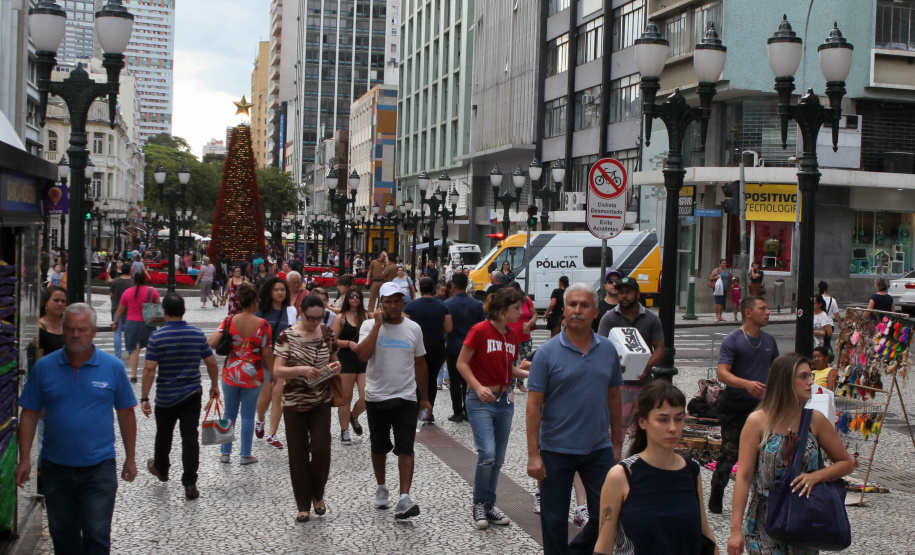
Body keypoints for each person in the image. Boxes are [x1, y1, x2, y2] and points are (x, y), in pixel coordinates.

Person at [15, 303, 137, 554]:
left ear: (93, 331)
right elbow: (28, 413)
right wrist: (25, 458)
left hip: (99, 468)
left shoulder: (112, 367)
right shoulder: (45, 367)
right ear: (63, 330)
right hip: (56, 467)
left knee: (96, 533)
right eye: (69, 329)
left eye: (82, 329)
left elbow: (126, 413)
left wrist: (131, 457)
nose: (75, 335)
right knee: (63, 536)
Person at [526, 283, 623, 555]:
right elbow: (533, 406)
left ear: (595, 312)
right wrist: (533, 454)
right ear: (564, 310)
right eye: (572, 305)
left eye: (584, 305)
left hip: (598, 449)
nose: (577, 311)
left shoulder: (607, 350)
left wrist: (616, 444)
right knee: (554, 521)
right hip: (555, 450)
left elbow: (615, 398)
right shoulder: (546, 353)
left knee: (609, 513)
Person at [727, 353, 854, 555]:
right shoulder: (758, 421)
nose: (810, 382)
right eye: (803, 376)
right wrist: (735, 530)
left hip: (803, 518)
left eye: (810, 376)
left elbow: (846, 463)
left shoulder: (816, 420)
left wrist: (816, 476)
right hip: (764, 520)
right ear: (784, 381)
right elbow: (743, 477)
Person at [594, 382, 717, 554]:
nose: (673, 428)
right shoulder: (622, 475)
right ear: (643, 422)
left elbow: (704, 531)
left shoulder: (691, 469)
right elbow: (604, 544)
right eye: (663, 419)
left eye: (679, 419)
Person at [353, 282, 431, 520]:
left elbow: (420, 363)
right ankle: (381, 486)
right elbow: (364, 355)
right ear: (381, 304)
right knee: (379, 447)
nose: (393, 306)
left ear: (403, 302)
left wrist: (425, 398)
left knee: (406, 448)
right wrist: (378, 325)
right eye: (388, 302)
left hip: (405, 396)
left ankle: (404, 497)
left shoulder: (413, 328)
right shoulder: (368, 325)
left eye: (397, 301)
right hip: (376, 396)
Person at [457, 287, 528, 529]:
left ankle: (489, 505)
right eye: (516, 308)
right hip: (481, 401)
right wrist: (477, 387)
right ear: (502, 309)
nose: (521, 312)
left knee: (497, 458)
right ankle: (478, 503)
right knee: (486, 453)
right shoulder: (480, 330)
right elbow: (461, 363)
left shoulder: (512, 336)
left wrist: (533, 373)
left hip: (504, 400)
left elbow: (511, 369)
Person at [140, 293, 220, 499]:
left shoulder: (157, 337)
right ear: (184, 311)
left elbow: (149, 369)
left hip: (166, 395)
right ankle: (190, 483)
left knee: (164, 434)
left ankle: (161, 468)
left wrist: (144, 397)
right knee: (190, 437)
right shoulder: (197, 334)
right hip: (192, 392)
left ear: (164, 312)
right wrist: (213, 384)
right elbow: (211, 362)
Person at [273, 294, 342, 523]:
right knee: (298, 453)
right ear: (301, 313)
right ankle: (303, 504)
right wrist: (301, 370)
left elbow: (333, 359)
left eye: (319, 318)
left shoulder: (327, 333)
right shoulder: (287, 337)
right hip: (294, 402)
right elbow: (278, 371)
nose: (315, 323)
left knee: (322, 447)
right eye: (311, 318)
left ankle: (318, 494)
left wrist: (335, 367)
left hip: (321, 399)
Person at [708, 296, 779, 514]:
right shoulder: (733, 340)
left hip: (762, 409)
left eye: (768, 308)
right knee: (729, 454)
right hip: (735, 407)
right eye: (763, 308)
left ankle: (759, 502)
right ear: (748, 312)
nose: (768, 312)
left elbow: (777, 371)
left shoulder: (769, 341)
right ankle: (716, 495)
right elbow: (722, 373)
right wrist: (746, 384)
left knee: (763, 456)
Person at [208, 283, 274, 465]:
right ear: (254, 302)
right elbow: (267, 353)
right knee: (247, 415)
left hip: (230, 371)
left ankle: (225, 453)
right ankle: (245, 454)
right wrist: (274, 373)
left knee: (228, 413)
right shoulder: (263, 325)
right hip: (253, 373)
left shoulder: (229, 320)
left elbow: (212, 342)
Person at [255, 277, 298, 449]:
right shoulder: (261, 311)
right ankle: (260, 420)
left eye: (282, 289)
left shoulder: (291, 310)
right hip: (264, 359)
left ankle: (272, 434)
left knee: (278, 396)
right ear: (269, 292)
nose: (280, 292)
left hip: (283, 360)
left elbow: (294, 334)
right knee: (264, 399)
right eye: (276, 289)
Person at [597, 277, 665, 382]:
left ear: (638, 294)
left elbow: (660, 348)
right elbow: (600, 349)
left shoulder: (651, 318)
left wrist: (645, 367)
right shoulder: (608, 318)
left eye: (628, 292)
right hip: (617, 383)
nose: (624, 296)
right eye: (621, 292)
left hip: (644, 382)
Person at [404, 277, 453, 418]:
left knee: (416, 376)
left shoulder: (411, 306)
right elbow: (449, 327)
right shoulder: (442, 306)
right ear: (433, 289)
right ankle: (428, 410)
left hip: (416, 344)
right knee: (431, 378)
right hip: (436, 345)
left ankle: (417, 406)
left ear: (420, 287)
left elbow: (403, 325)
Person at [444, 272, 485, 422]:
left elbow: (445, 327)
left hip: (453, 345)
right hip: (471, 348)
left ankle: (457, 411)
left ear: (453, 285)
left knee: (454, 381)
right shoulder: (477, 305)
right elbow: (482, 327)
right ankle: (468, 410)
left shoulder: (447, 304)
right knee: (469, 380)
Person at [330, 286, 369, 444]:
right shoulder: (341, 318)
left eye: (357, 296)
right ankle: (344, 430)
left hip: (362, 359)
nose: (354, 298)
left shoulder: (366, 316)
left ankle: (354, 416)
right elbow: (332, 340)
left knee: (367, 395)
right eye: (351, 296)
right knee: (345, 397)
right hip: (345, 358)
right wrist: (348, 344)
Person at [112, 271, 160, 383]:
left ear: (134, 280)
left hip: (131, 323)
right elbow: (159, 304)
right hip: (148, 323)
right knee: (151, 349)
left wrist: (116, 322)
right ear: (145, 279)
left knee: (134, 349)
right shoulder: (151, 291)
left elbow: (120, 309)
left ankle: (134, 375)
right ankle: (149, 371)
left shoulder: (127, 292)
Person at [506, 281, 536, 393]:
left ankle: (520, 383)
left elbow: (534, 313)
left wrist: (532, 320)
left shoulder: (526, 300)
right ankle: (510, 384)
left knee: (525, 359)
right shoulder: (508, 301)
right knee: (511, 360)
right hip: (511, 335)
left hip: (525, 335)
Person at [109, 264, 133, 359]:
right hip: (129, 310)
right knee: (129, 331)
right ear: (130, 270)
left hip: (117, 309)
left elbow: (111, 295)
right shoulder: (132, 282)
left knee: (117, 332)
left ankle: (118, 354)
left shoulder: (116, 281)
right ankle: (130, 351)